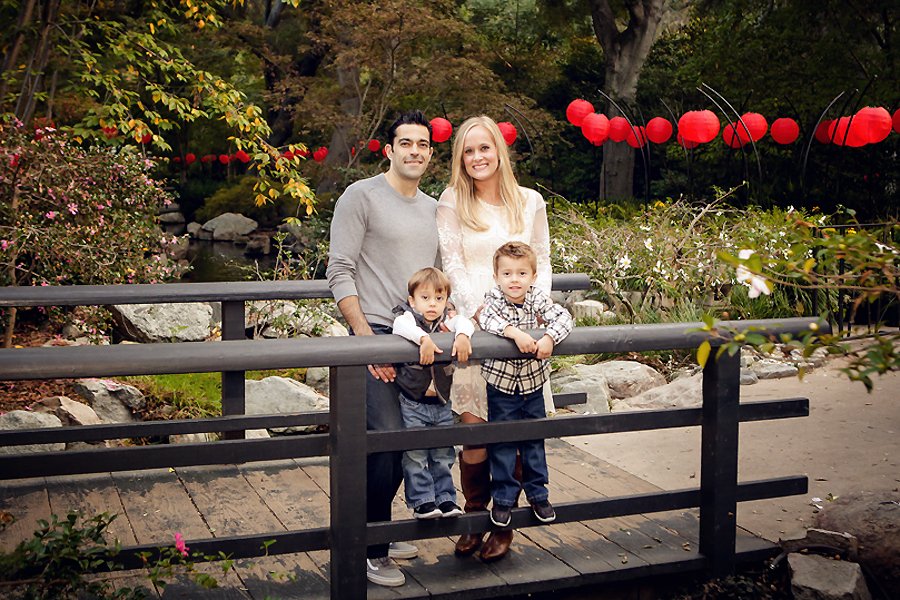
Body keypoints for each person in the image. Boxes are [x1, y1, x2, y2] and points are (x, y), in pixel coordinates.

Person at [326, 110, 437, 588]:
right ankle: (370, 551)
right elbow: (340, 268)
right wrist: (363, 339)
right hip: (373, 330)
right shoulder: (362, 195)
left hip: (419, 336)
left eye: (423, 144)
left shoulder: (435, 209)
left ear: (431, 154)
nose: (415, 150)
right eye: (405, 142)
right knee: (386, 437)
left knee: (412, 437)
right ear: (388, 149)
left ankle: (380, 531)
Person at [436, 115, 552, 561]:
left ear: (499, 152)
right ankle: (474, 517)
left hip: (521, 336)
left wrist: (529, 319)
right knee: (476, 432)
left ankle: (506, 525)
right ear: (460, 158)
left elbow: (542, 265)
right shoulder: (452, 202)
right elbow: (453, 265)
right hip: (477, 330)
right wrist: (486, 313)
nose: (477, 157)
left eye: (484, 148)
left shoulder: (530, 202)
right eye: (468, 151)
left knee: (516, 433)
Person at [478, 241, 573, 527]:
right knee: (503, 442)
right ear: (496, 277)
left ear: (532, 276)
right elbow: (486, 318)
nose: (514, 280)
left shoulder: (537, 298)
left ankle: (538, 493)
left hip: (532, 385)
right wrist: (514, 333)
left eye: (521, 273)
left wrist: (549, 338)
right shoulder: (493, 298)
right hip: (502, 386)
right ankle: (505, 499)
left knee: (534, 439)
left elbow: (565, 317)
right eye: (507, 274)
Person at [391, 267, 473, 519]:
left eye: (439, 299)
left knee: (443, 452)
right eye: (425, 298)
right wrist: (424, 339)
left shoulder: (447, 322)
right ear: (412, 301)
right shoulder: (408, 319)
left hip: (441, 402)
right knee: (415, 454)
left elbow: (464, 322)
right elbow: (399, 327)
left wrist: (461, 336)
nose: (432, 304)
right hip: (413, 402)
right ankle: (422, 501)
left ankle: (446, 498)